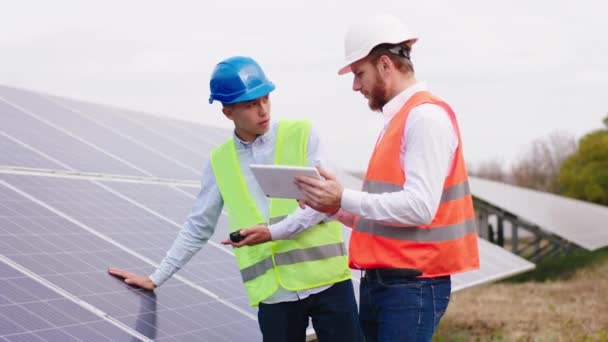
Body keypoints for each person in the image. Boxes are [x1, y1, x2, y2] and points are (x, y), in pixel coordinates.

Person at [108, 56, 362, 342]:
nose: (263, 110)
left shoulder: (302, 134)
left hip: (328, 283)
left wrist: (272, 233)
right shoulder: (220, 162)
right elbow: (197, 227)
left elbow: (322, 203)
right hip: (274, 295)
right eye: (251, 104)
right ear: (228, 112)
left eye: (265, 99)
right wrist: (156, 277)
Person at [293, 14, 480, 342]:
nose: (355, 86)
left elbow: (419, 208)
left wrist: (343, 197)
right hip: (385, 282)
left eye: (358, 73)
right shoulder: (399, 121)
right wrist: (329, 205)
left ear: (383, 65)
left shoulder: (425, 118)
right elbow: (382, 214)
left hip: (412, 285)